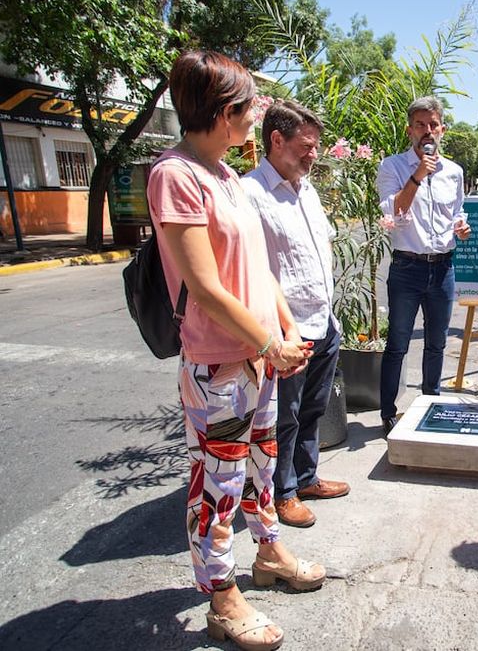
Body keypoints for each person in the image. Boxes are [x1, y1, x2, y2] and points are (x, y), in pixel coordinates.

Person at [148, 51, 325, 651]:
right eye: (251, 105)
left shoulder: (226, 174)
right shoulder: (176, 176)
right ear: (225, 113)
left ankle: (269, 552)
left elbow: (258, 270)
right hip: (219, 366)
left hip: (258, 359)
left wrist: (285, 331)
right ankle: (221, 595)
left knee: (261, 466)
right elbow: (204, 287)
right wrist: (268, 341)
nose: (257, 115)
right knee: (217, 483)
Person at [243, 99, 350, 529]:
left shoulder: (307, 189)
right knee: (283, 417)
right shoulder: (251, 193)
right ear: (276, 140)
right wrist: (277, 334)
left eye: (316, 145)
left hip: (323, 322)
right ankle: (281, 493)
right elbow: (254, 269)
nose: (314, 153)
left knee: (313, 409)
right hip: (286, 332)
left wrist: (332, 316)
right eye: (306, 145)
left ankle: (306, 477)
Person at [376, 96, 472, 436]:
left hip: (443, 268)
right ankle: (388, 412)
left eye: (433, 125)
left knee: (437, 343)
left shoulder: (455, 172)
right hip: (407, 269)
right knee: (398, 343)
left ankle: (432, 404)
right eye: (420, 125)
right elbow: (394, 213)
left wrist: (462, 227)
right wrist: (419, 173)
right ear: (409, 130)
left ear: (442, 130)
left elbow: (457, 213)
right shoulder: (392, 167)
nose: (427, 131)